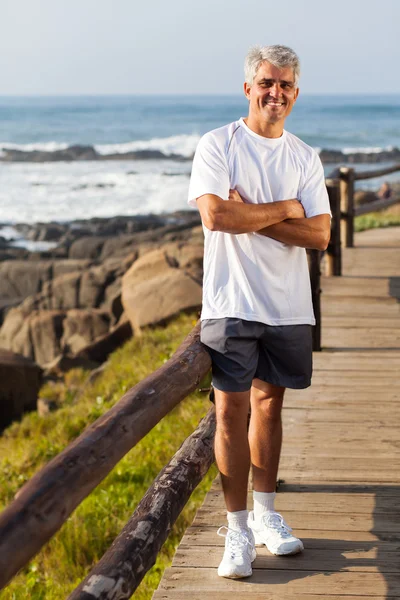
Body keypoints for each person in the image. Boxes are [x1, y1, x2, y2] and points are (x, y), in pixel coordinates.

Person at [188, 45, 331, 579]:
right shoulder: (217, 144)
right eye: (267, 83)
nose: (276, 93)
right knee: (230, 413)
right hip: (231, 302)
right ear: (248, 88)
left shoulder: (303, 156)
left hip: (288, 305)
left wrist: (250, 213)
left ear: (296, 93)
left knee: (270, 408)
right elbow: (216, 215)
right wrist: (283, 210)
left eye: (286, 85)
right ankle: (238, 530)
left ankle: (268, 515)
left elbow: (319, 234)